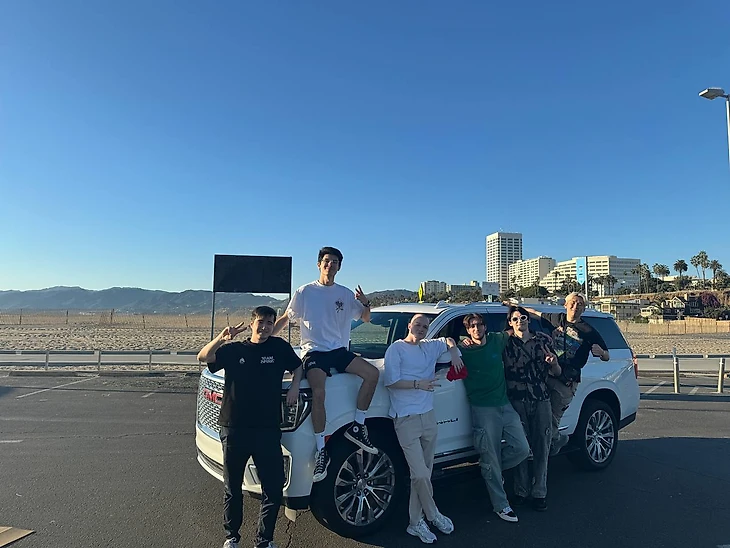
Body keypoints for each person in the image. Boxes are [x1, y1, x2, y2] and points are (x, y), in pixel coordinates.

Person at [197, 306, 303, 548]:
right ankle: (232, 537)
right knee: (233, 487)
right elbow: (203, 357)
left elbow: (297, 367)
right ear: (252, 323)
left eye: (269, 323)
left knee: (272, 489)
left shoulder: (279, 348)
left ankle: (264, 540)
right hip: (234, 427)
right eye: (260, 322)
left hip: (267, 429)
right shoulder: (235, 350)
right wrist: (222, 337)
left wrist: (295, 385)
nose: (264, 327)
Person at [272, 246, 379, 482]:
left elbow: (365, 318)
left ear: (339, 267)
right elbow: (287, 318)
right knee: (319, 392)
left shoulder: (345, 294)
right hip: (315, 352)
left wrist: (366, 303)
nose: (330, 265)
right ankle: (322, 450)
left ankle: (358, 426)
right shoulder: (305, 292)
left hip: (339, 351)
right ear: (319, 264)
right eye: (327, 261)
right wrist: (266, 338)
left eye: (335, 262)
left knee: (372, 374)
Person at [383, 314, 462, 544]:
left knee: (424, 474)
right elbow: (390, 381)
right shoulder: (396, 349)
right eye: (417, 324)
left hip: (428, 416)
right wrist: (418, 384)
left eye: (425, 326)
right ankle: (433, 514)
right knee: (419, 474)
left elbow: (448, 339)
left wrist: (454, 352)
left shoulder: (429, 345)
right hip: (405, 418)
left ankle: (415, 522)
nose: (421, 328)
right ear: (409, 326)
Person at [458, 313, 530, 523]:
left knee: (522, 448)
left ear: (485, 326)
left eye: (479, 325)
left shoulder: (496, 340)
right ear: (467, 330)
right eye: (472, 326)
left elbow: (513, 330)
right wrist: (453, 347)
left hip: (504, 404)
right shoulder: (464, 349)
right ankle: (501, 505)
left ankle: (490, 469)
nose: (476, 329)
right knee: (491, 457)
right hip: (483, 409)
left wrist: (520, 315)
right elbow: (437, 345)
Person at [519, 292, 609, 454]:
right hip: (546, 375)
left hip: (566, 382)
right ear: (565, 305)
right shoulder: (557, 319)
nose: (575, 306)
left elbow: (607, 356)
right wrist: (514, 307)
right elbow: (535, 313)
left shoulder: (588, 331)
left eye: (580, 304)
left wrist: (601, 352)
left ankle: (551, 446)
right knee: (539, 416)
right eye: (573, 302)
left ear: (584, 309)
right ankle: (549, 444)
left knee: (551, 422)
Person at [502, 306, 561, 511]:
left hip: (540, 397)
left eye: (523, 317)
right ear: (510, 322)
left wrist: (553, 363)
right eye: (515, 319)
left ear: (528, 320)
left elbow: (557, 371)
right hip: (516, 400)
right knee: (521, 447)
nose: (520, 321)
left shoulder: (543, 341)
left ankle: (539, 492)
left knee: (541, 446)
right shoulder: (504, 342)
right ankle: (521, 490)